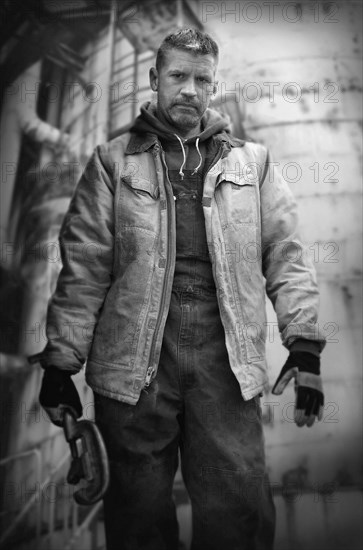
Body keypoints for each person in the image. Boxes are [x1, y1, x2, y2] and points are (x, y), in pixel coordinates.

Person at [34, 28, 325, 550]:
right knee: (137, 520)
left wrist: (304, 344)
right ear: (154, 80)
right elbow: (83, 269)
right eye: (178, 77)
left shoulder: (252, 165)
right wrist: (60, 364)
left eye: (202, 79)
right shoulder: (111, 163)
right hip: (133, 369)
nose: (190, 89)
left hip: (226, 366)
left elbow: (287, 256)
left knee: (238, 516)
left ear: (214, 87)